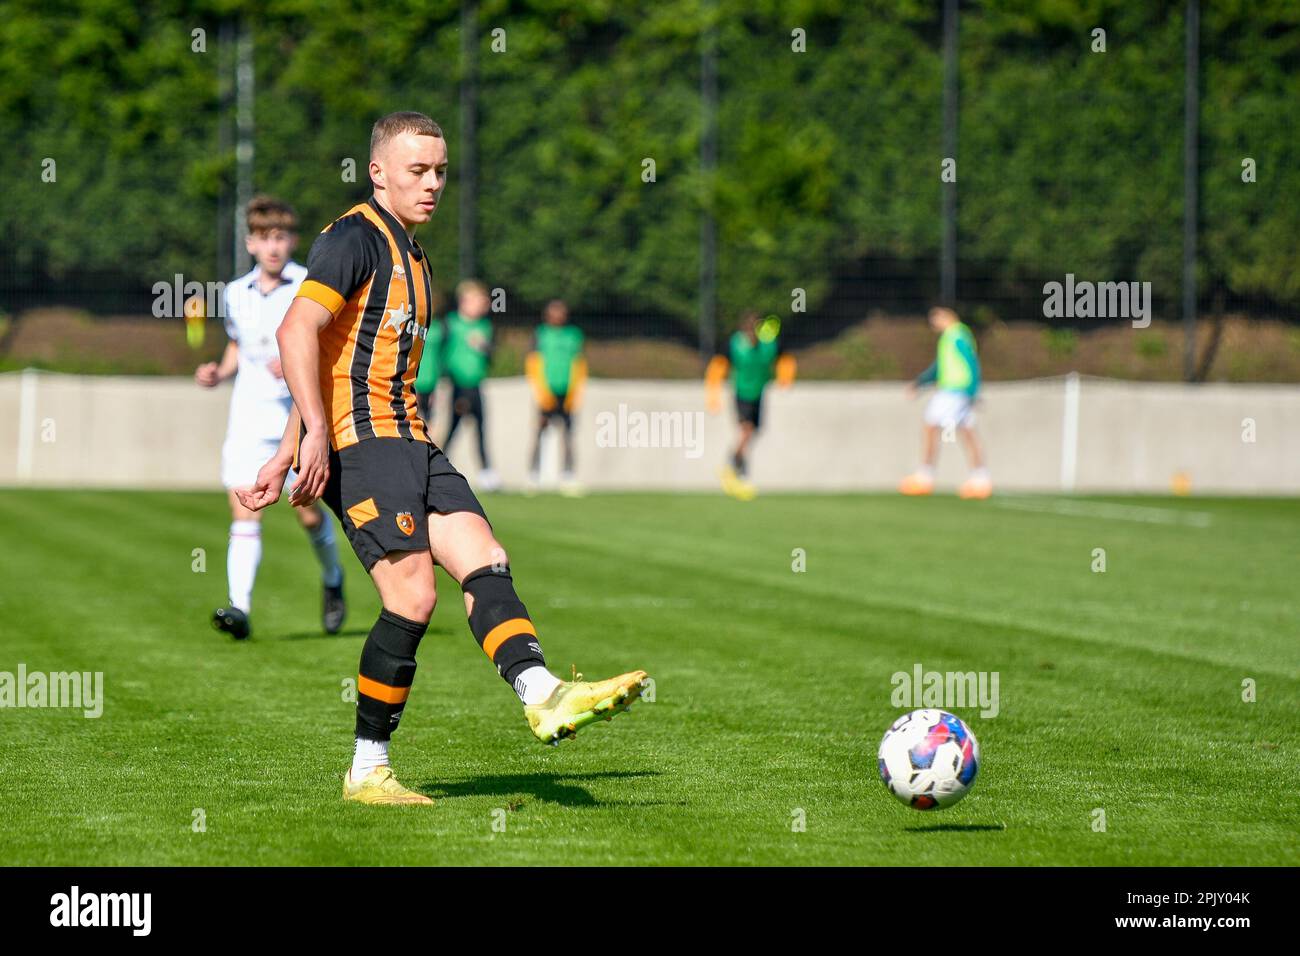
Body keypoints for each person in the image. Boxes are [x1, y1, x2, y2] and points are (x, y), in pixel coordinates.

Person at [237, 111, 647, 806]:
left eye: (440, 172)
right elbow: (295, 330)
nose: (432, 185)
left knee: (484, 554)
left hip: (413, 439)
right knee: (414, 596)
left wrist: (284, 454)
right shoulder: (352, 239)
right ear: (378, 173)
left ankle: (542, 693)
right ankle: (368, 771)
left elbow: (329, 354)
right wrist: (308, 435)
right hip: (365, 446)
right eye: (416, 171)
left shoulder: (416, 259)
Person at [195, 195, 345, 640]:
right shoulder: (235, 293)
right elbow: (239, 346)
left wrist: (297, 359)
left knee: (310, 514)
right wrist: (218, 371)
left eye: (280, 237)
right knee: (245, 511)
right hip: (247, 420)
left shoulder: (308, 284)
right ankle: (239, 608)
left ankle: (333, 579)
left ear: (293, 241)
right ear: (250, 243)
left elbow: (322, 342)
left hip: (296, 423)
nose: (273, 246)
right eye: (264, 238)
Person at [899, 306, 992, 499]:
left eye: (936, 318)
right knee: (967, 432)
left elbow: (971, 362)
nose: (933, 323)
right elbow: (939, 367)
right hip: (959, 391)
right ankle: (981, 480)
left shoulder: (956, 334)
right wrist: (920, 383)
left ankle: (925, 478)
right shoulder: (952, 336)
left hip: (954, 391)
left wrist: (974, 391)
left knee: (930, 426)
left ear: (946, 315)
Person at [705, 310, 796, 500]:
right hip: (741, 393)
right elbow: (717, 366)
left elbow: (785, 359)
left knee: (753, 432)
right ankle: (730, 467)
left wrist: (785, 379)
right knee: (746, 431)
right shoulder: (734, 345)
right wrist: (713, 397)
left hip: (758, 394)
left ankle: (740, 473)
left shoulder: (769, 345)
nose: (751, 335)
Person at [442, 280, 500, 491]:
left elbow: (492, 355)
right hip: (458, 385)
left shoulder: (485, 326)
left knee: (481, 429)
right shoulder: (451, 323)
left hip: (476, 385)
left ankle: (486, 472)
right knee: (453, 429)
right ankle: (439, 468)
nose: (483, 305)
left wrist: (484, 347)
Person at [525, 299, 586, 494]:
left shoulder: (574, 335)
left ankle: (568, 475)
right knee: (540, 431)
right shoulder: (540, 334)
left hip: (566, 393)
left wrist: (575, 393)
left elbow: (579, 365)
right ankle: (533, 475)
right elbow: (533, 364)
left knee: (568, 435)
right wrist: (542, 392)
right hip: (546, 393)